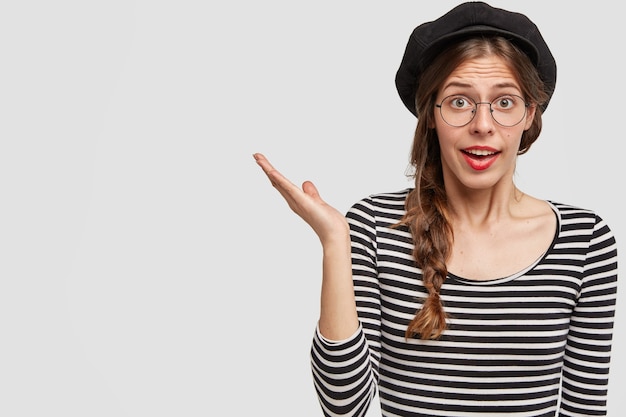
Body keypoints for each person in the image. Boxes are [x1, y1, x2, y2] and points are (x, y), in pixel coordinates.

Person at [253, 2, 618, 416]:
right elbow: (343, 406)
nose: (483, 124)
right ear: (431, 114)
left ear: (530, 114)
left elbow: (584, 409)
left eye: (504, 102)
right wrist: (336, 243)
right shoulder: (373, 229)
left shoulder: (585, 241)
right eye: (459, 102)